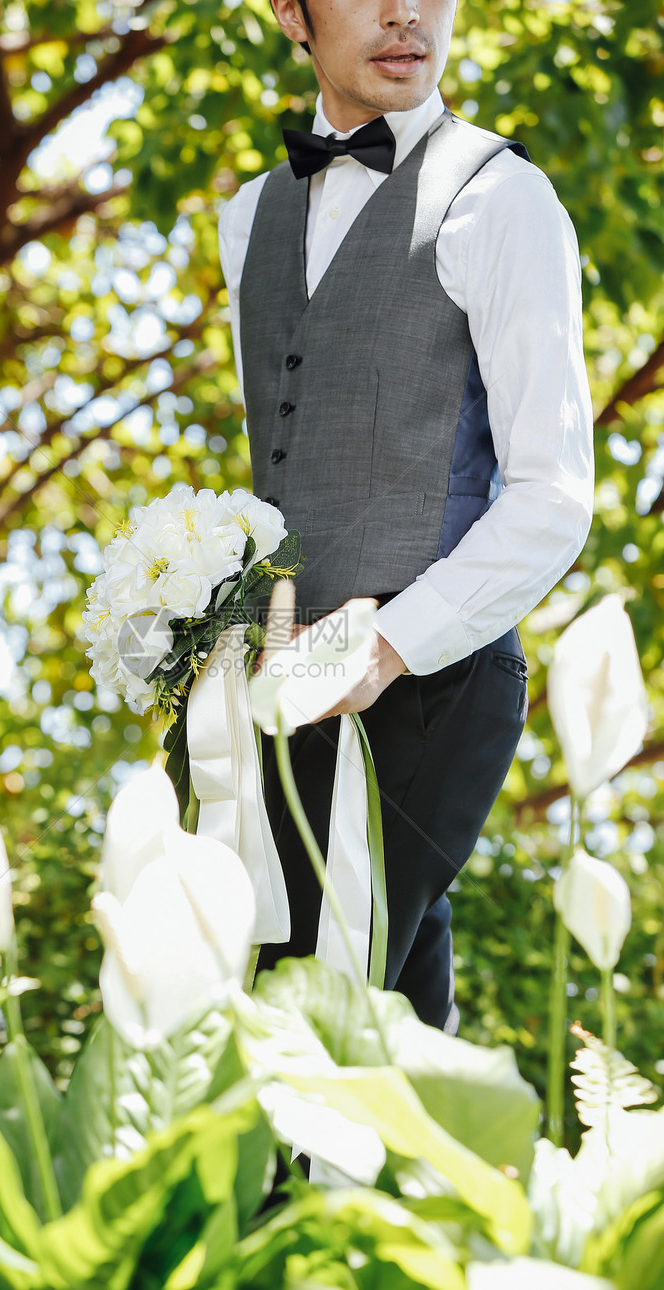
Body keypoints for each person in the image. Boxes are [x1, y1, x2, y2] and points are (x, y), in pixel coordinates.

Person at [218, 0, 594, 1033]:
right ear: (288, 14)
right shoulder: (248, 217)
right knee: (364, 1024)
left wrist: (385, 644)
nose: (402, 14)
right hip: (282, 687)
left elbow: (553, 493)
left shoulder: (502, 200)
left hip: (431, 678)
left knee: (318, 1007)